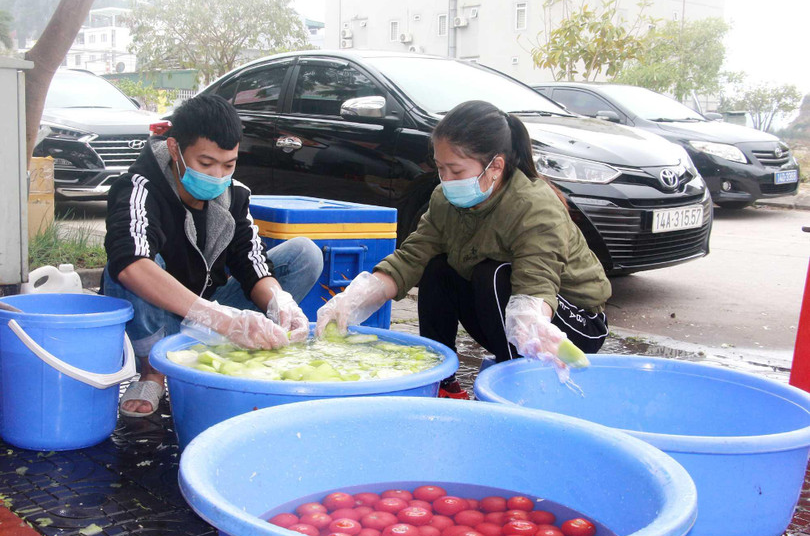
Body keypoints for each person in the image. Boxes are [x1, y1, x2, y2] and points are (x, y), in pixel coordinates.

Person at [315, 100, 611, 398]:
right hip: (506, 316)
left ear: (495, 166)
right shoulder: (445, 201)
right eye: (441, 169)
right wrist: (352, 301)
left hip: (567, 324)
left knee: (491, 273)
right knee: (436, 267)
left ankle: (519, 383)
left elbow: (537, 282)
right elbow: (410, 259)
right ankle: (444, 383)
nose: (447, 181)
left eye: (455, 171)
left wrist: (533, 323)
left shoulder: (534, 205)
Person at [103, 94, 323, 417]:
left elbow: (252, 260)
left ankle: (241, 349)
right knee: (125, 267)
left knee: (306, 254)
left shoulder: (234, 196)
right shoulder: (139, 187)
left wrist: (279, 301)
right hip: (162, 320)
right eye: (206, 164)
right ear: (176, 148)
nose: (218, 176)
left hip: (211, 319)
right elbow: (130, 261)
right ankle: (154, 371)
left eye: (229, 165)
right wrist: (219, 319)